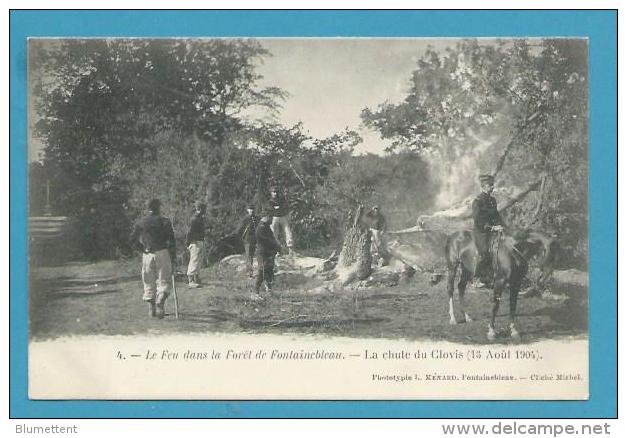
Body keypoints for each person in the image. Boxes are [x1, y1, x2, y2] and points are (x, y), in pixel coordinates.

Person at [130, 199, 176, 319]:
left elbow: (132, 240)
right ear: (158, 208)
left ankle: (151, 308)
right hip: (162, 252)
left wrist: (142, 248)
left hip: (148, 254)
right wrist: (173, 257)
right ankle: (160, 300)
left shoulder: (141, 222)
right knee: (164, 280)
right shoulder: (165, 221)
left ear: (148, 208)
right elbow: (171, 241)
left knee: (148, 281)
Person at [471, 174, 504, 285]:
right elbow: (477, 219)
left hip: (493, 230)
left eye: (492, 185)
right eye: (490, 185)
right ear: (484, 186)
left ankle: (494, 276)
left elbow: (496, 215)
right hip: (481, 232)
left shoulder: (493, 200)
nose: (492, 187)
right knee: (484, 252)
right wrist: (492, 227)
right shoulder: (477, 201)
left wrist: (501, 225)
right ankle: (476, 279)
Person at [252, 207, 282, 301]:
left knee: (269, 271)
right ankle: (255, 292)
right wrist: (277, 247)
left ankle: (269, 290)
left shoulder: (266, 227)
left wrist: (277, 247)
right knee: (262, 271)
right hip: (263, 253)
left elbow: (272, 239)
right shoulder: (261, 228)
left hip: (269, 252)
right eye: (271, 217)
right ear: (266, 217)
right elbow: (267, 241)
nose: (272, 219)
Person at [268, 186, 294, 255]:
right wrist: (277, 208)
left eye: (276, 192)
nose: (275, 193)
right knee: (274, 234)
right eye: (273, 192)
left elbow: (285, 206)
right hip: (274, 218)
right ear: (271, 193)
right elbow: (270, 209)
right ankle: (276, 251)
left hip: (283, 216)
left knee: (288, 232)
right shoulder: (270, 201)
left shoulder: (281, 199)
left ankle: (290, 249)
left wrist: (278, 207)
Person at [186, 201, 206, 288]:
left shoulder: (200, 218)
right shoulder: (194, 219)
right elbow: (189, 233)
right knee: (194, 260)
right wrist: (189, 243)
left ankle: (196, 278)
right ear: (200, 209)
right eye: (204, 209)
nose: (205, 211)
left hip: (200, 241)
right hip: (195, 242)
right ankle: (191, 280)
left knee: (198, 261)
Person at [237, 203, 259, 277]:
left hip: (255, 239)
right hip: (247, 239)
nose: (251, 211)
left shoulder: (256, 219)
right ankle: (250, 273)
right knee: (249, 256)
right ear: (247, 210)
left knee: (252, 255)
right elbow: (239, 229)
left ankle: (250, 271)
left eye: (252, 209)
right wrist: (241, 238)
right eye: (250, 209)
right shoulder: (245, 219)